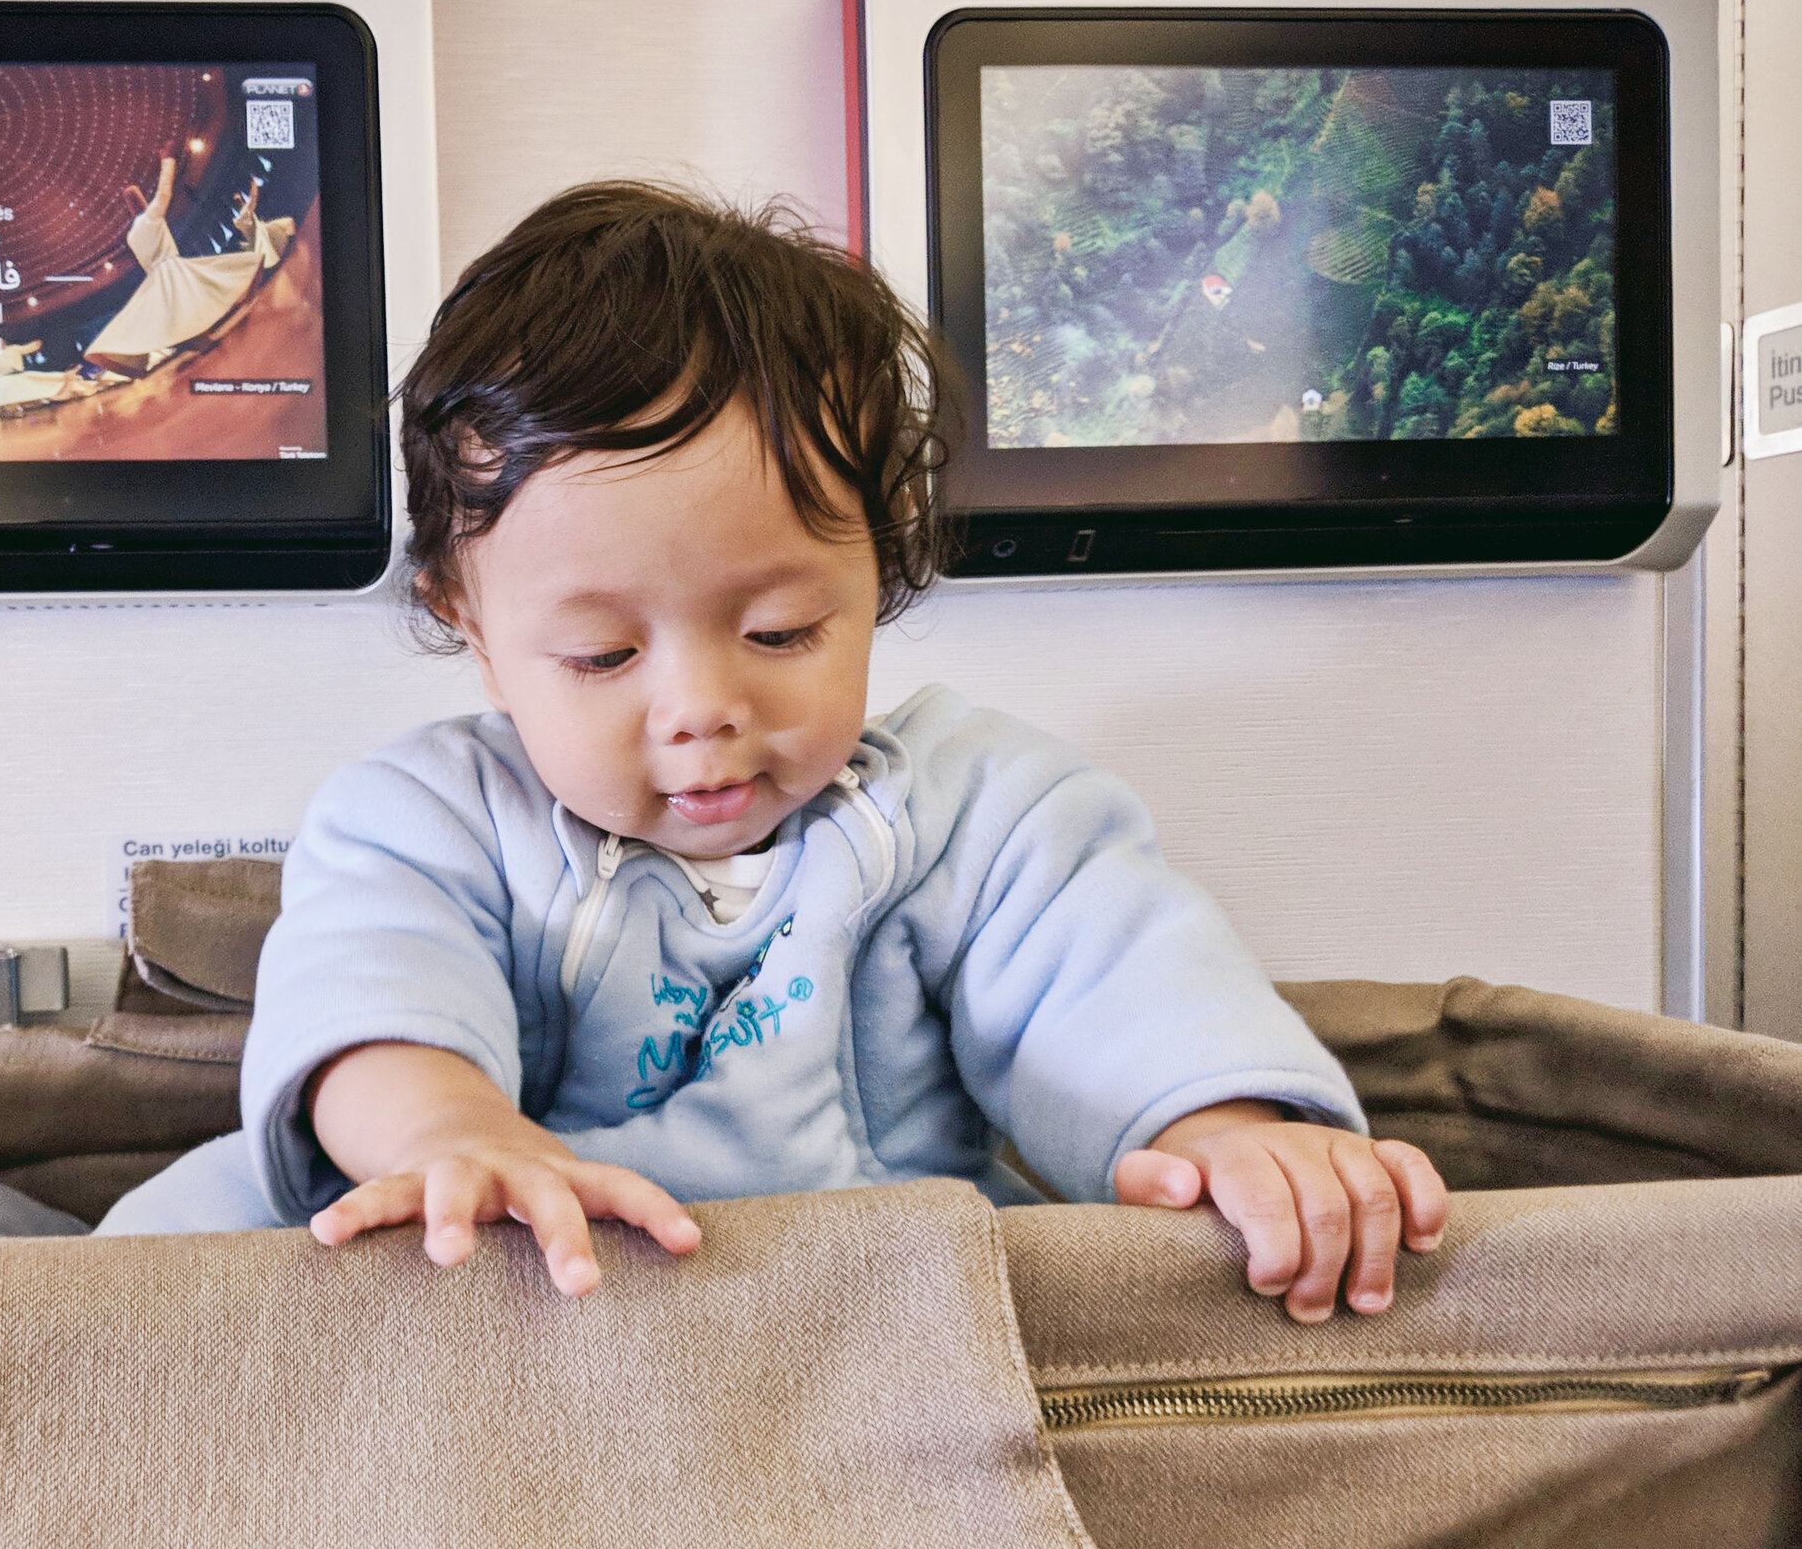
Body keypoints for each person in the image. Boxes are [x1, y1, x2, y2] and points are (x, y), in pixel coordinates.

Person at [97, 181, 1447, 1324]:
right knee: (138, 1292)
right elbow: (371, 1005)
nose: (701, 706)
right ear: (473, 625)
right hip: (510, 1299)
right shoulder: (420, 818)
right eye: (604, 657)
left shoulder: (978, 805)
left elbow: (1116, 980)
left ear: (884, 572)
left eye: (784, 627)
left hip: (858, 1313)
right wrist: (455, 1138)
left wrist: (1224, 1132)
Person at [84, 157, 296, 374]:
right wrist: (168, 161)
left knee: (179, 314)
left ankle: (202, 342)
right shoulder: (151, 216)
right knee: (193, 301)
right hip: (171, 269)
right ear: (140, 203)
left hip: (157, 278)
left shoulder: (132, 237)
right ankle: (205, 341)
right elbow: (164, 193)